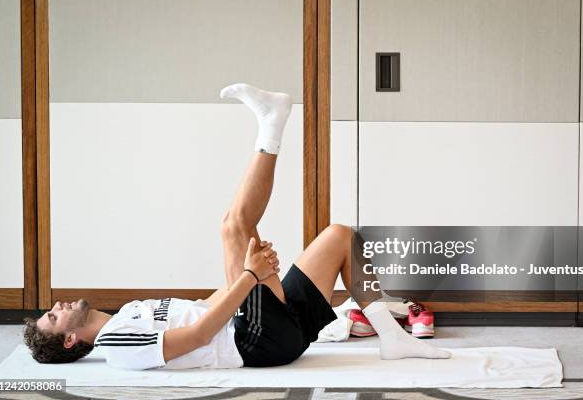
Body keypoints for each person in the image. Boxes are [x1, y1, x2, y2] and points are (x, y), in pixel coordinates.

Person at [23, 84, 450, 370]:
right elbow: (200, 335)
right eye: (52, 317)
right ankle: (271, 122)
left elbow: (206, 307)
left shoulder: (129, 313)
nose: (56, 306)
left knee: (339, 236)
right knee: (233, 227)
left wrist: (253, 277)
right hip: (255, 343)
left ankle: (393, 338)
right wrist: (249, 277)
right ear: (69, 342)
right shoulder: (117, 348)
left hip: (268, 328)